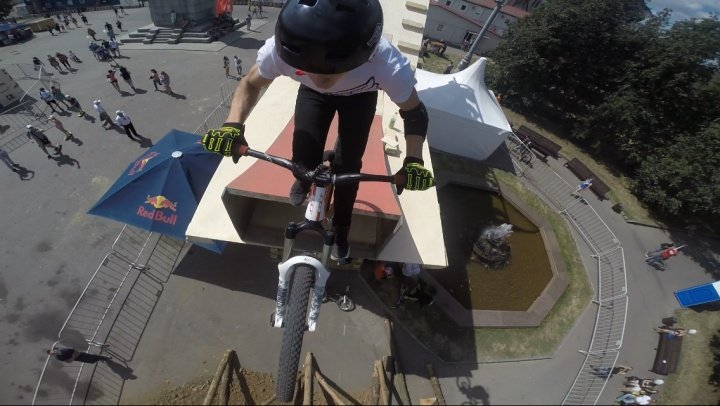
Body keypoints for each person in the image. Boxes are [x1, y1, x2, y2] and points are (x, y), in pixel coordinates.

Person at [201, 0, 435, 260]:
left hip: (359, 98)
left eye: (329, 73)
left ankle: (341, 228)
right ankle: (303, 178)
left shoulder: (388, 64)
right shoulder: (279, 52)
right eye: (306, 69)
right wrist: (232, 125)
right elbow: (249, 84)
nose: (319, 80)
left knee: (349, 167)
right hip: (316, 96)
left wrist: (414, 160)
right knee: (302, 156)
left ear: (366, 55)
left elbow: (414, 112)